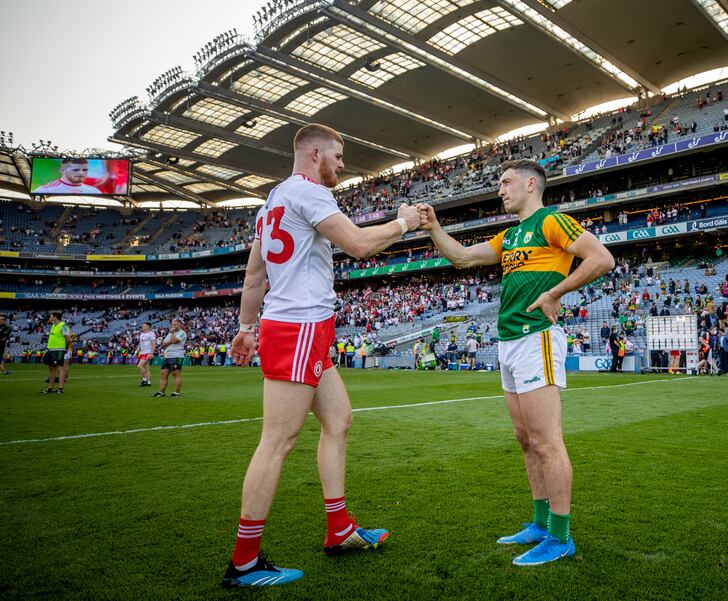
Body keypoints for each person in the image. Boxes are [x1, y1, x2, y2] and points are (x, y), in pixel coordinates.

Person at [223, 123, 421, 588]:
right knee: (277, 441)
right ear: (315, 154)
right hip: (299, 327)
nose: (342, 165)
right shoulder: (309, 193)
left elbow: (255, 277)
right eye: (339, 155)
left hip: (298, 327)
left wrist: (246, 328)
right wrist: (405, 222)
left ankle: (340, 529)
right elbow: (358, 244)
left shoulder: (273, 199)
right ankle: (244, 562)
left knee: (339, 420)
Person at [416, 158, 614, 566]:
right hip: (508, 342)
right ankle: (540, 524)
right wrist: (434, 227)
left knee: (546, 441)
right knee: (525, 440)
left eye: (505, 183)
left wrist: (556, 292)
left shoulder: (551, 222)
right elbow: (462, 257)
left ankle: (560, 536)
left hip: (535, 338)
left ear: (530, 184)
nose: (500, 190)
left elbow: (601, 259)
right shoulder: (510, 235)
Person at [153, 318, 186, 398]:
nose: (173, 326)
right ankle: (161, 392)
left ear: (180, 324)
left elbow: (174, 341)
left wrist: (172, 334)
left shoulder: (182, 333)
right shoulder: (170, 334)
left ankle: (177, 392)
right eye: (172, 324)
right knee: (163, 374)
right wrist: (170, 340)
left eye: (175, 324)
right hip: (168, 355)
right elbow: (163, 345)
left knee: (176, 374)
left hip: (177, 355)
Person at [32, 158, 102, 194]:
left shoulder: (95, 191)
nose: (81, 173)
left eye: (85, 170)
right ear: (62, 170)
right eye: (76, 170)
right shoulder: (45, 190)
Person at [41, 311, 72, 394]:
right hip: (51, 350)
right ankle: (50, 388)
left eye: (51, 317)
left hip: (59, 350)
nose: (49, 318)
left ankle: (60, 388)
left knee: (59, 368)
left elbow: (68, 339)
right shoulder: (53, 325)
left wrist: (65, 348)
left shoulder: (63, 326)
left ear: (55, 317)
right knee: (51, 369)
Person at [134, 322, 156, 387]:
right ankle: (148, 382)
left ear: (148, 327)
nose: (142, 327)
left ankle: (145, 380)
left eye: (143, 326)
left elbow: (153, 344)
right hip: (143, 352)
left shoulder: (151, 334)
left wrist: (151, 353)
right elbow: (140, 344)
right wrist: (136, 352)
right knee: (146, 368)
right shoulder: (142, 334)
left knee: (140, 365)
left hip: (148, 353)